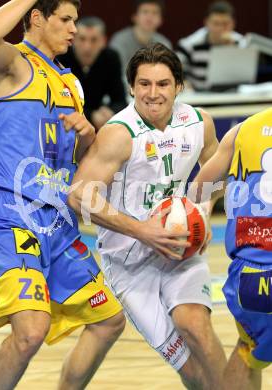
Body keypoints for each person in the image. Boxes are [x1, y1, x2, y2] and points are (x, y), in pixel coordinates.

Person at [0, 1, 125, 389]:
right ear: (37, 18)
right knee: (31, 332)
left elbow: (72, 158)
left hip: (56, 220)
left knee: (109, 320)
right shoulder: (14, 64)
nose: (74, 29)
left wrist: (87, 136)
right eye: (66, 19)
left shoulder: (70, 82)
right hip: (7, 213)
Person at [68, 42, 226, 389]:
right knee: (193, 372)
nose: (153, 94)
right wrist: (142, 230)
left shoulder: (199, 123)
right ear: (131, 87)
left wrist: (201, 210)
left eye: (163, 84)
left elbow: (218, 169)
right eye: (144, 84)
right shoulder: (118, 134)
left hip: (179, 247)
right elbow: (79, 194)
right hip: (129, 262)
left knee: (196, 327)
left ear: (179, 86)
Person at [192, 108, 272, 389]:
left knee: (248, 350)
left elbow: (199, 189)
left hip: (249, 274)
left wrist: (203, 212)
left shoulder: (243, 130)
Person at [58, 16, 127, 130]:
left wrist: (110, 111)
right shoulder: (61, 58)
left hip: (99, 125)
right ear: (73, 39)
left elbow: (120, 100)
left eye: (94, 40)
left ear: (103, 42)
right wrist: (91, 116)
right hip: (65, 125)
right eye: (82, 39)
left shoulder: (111, 58)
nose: (87, 47)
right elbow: (58, 104)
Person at [176, 1, 243, 91]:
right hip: (199, 97)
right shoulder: (189, 44)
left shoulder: (241, 43)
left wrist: (232, 50)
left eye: (225, 24)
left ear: (233, 24)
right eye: (216, 23)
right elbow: (176, 71)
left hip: (235, 96)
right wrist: (185, 84)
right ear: (207, 23)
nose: (220, 28)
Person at [110, 0, 172, 84]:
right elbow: (116, 75)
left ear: (160, 20)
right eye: (145, 12)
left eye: (155, 13)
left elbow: (167, 75)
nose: (149, 17)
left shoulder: (164, 44)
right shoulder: (119, 41)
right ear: (135, 17)